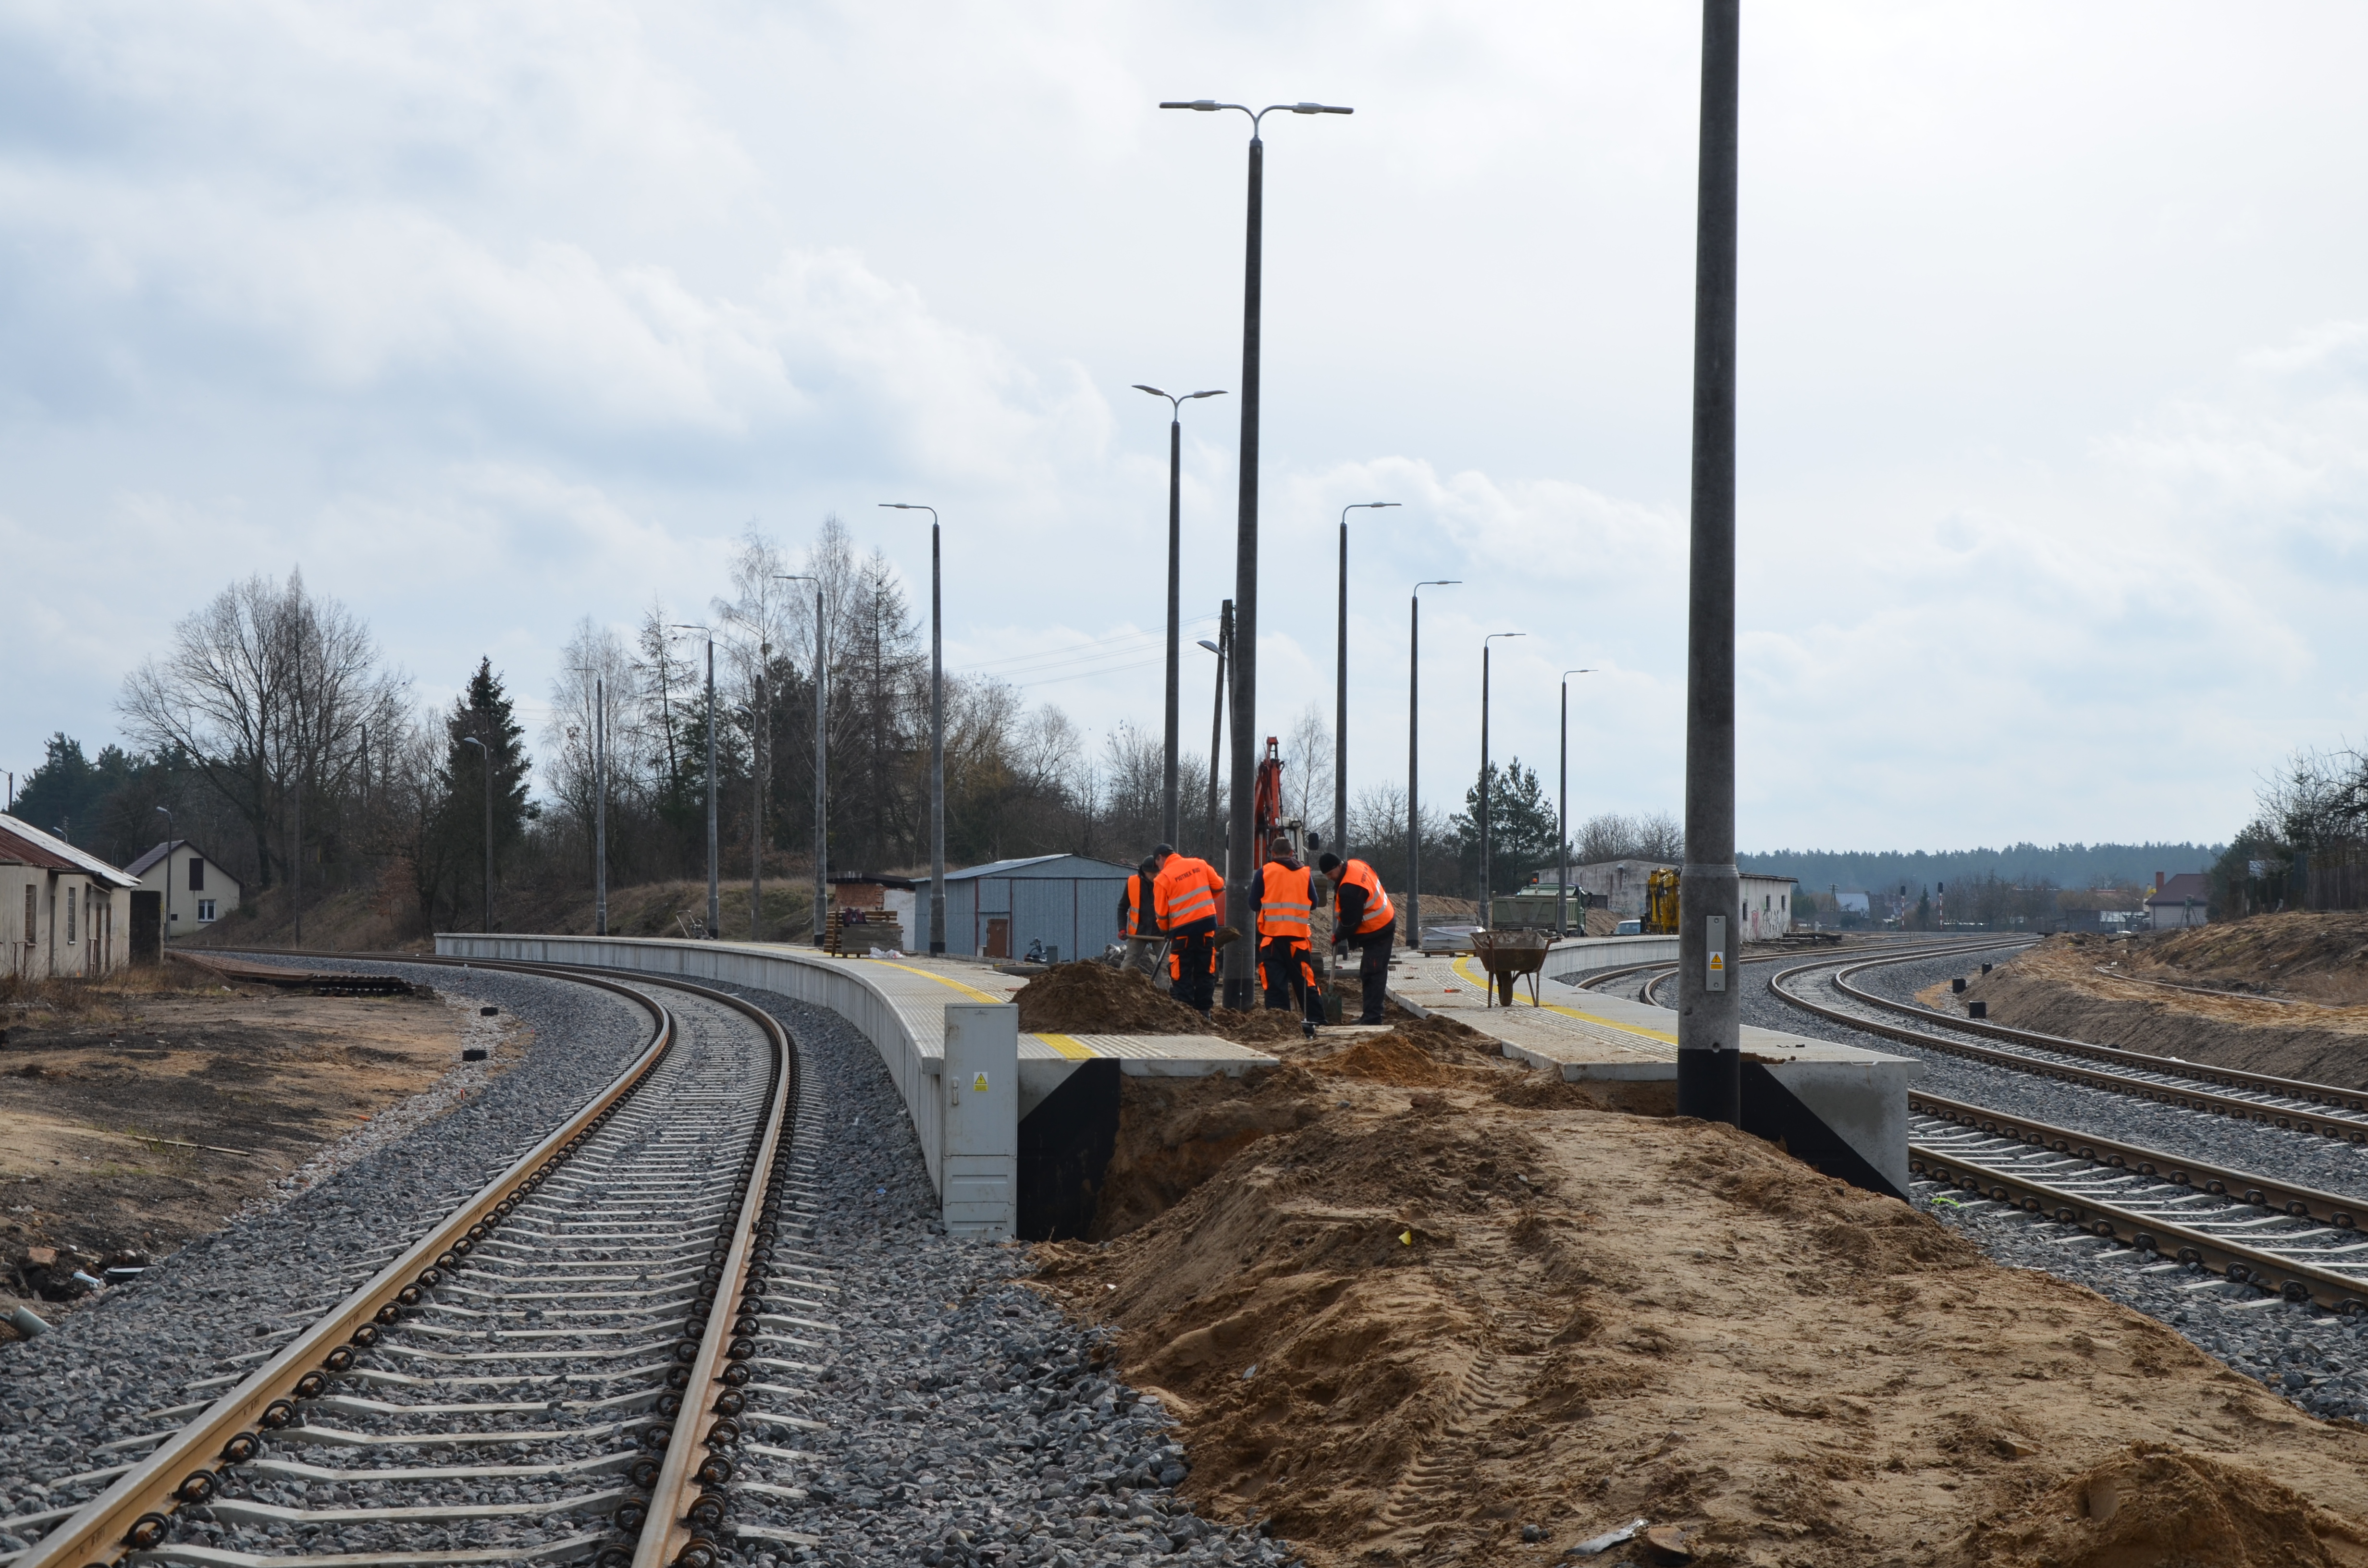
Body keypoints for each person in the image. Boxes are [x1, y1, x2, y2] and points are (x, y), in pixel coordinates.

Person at [1256, 834, 1324, 1038]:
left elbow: (1253, 903)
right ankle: (1317, 1021)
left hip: (1272, 939)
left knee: (1275, 984)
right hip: (1298, 940)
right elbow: (1314, 903)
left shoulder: (1264, 872)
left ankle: (1279, 1024)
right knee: (1305, 981)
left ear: (1272, 853)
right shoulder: (1304, 873)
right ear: (1292, 853)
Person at [1318, 850, 1395, 1025]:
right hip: (1383, 922)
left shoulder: (1350, 888)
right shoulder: (1357, 864)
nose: (1329, 878)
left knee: (1373, 974)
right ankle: (1369, 1015)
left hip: (1378, 929)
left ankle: (1373, 1018)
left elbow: (1351, 922)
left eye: (1330, 874)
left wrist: (1338, 936)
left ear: (1338, 866)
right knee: (1368, 972)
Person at [1150, 843, 1225, 1016]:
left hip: (1182, 932)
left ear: (1160, 858)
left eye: (1157, 864)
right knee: (1205, 970)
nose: (1158, 868)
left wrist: (1166, 930)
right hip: (1207, 927)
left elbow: (1161, 915)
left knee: (1181, 972)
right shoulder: (1199, 864)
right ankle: (1204, 1012)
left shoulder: (1163, 879)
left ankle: (1186, 1013)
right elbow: (1219, 886)